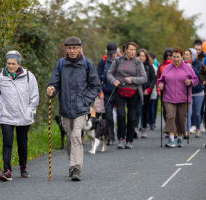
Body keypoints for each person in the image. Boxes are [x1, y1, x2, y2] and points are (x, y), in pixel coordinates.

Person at [46, 36, 101, 181]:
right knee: (70, 139)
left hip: (81, 109)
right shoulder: (61, 64)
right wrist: (51, 89)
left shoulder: (87, 64)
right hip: (65, 108)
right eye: (69, 48)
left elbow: (95, 86)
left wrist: (86, 101)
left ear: (80, 48)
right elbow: (54, 83)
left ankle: (75, 167)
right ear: (66, 49)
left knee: (77, 136)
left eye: (74, 48)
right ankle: (73, 163)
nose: (72, 51)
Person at [0, 50, 39, 181]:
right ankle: (7, 171)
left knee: (22, 144)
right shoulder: (0, 77)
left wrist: (30, 112)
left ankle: (23, 167)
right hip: (6, 116)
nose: (10, 66)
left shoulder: (28, 76)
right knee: (7, 142)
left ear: (19, 63)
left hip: (24, 116)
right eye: (8, 63)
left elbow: (34, 96)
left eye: (13, 63)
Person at [107, 42, 147, 149]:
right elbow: (109, 73)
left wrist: (132, 80)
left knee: (131, 117)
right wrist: (113, 80)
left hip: (134, 92)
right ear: (125, 50)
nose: (133, 52)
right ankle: (121, 139)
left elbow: (144, 78)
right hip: (120, 90)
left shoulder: (138, 62)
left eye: (134, 50)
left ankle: (129, 140)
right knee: (121, 115)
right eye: (131, 49)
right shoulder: (118, 60)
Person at [157, 48, 198, 148]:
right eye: (173, 57)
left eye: (177, 57)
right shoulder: (167, 68)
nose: (175, 59)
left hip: (184, 98)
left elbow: (195, 79)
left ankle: (179, 137)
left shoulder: (187, 68)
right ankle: (171, 139)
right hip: (169, 97)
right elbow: (160, 80)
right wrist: (161, 84)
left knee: (181, 119)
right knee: (170, 116)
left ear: (182, 57)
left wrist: (190, 82)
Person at [97, 42, 118, 145]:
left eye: (114, 52)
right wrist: (99, 90)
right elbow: (98, 76)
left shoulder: (120, 60)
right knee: (108, 116)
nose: (112, 54)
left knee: (121, 115)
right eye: (111, 53)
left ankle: (121, 136)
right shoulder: (103, 61)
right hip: (106, 92)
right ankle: (110, 136)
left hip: (118, 92)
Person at [185, 48, 204, 138]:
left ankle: (198, 129)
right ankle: (187, 130)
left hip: (198, 92)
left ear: (192, 55)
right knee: (188, 112)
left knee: (197, 113)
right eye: (185, 54)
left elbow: (199, 75)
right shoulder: (183, 64)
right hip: (187, 92)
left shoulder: (199, 64)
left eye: (188, 54)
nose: (186, 56)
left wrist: (191, 67)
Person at [137, 49, 155, 138]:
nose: (141, 57)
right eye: (140, 55)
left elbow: (153, 79)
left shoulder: (149, 66)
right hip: (136, 90)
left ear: (146, 57)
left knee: (144, 110)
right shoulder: (135, 65)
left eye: (143, 56)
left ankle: (143, 128)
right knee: (135, 110)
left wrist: (149, 89)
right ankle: (135, 128)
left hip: (146, 92)